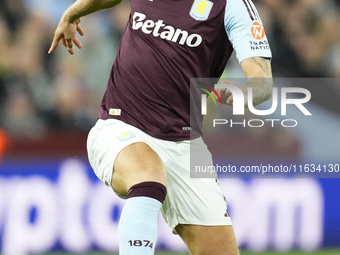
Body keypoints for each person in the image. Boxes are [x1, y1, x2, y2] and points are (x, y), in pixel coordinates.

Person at [49, 0, 272, 254]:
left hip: (184, 145)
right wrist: (73, 12)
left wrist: (246, 92)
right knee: (148, 174)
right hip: (120, 125)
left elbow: (262, 80)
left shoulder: (233, 5)